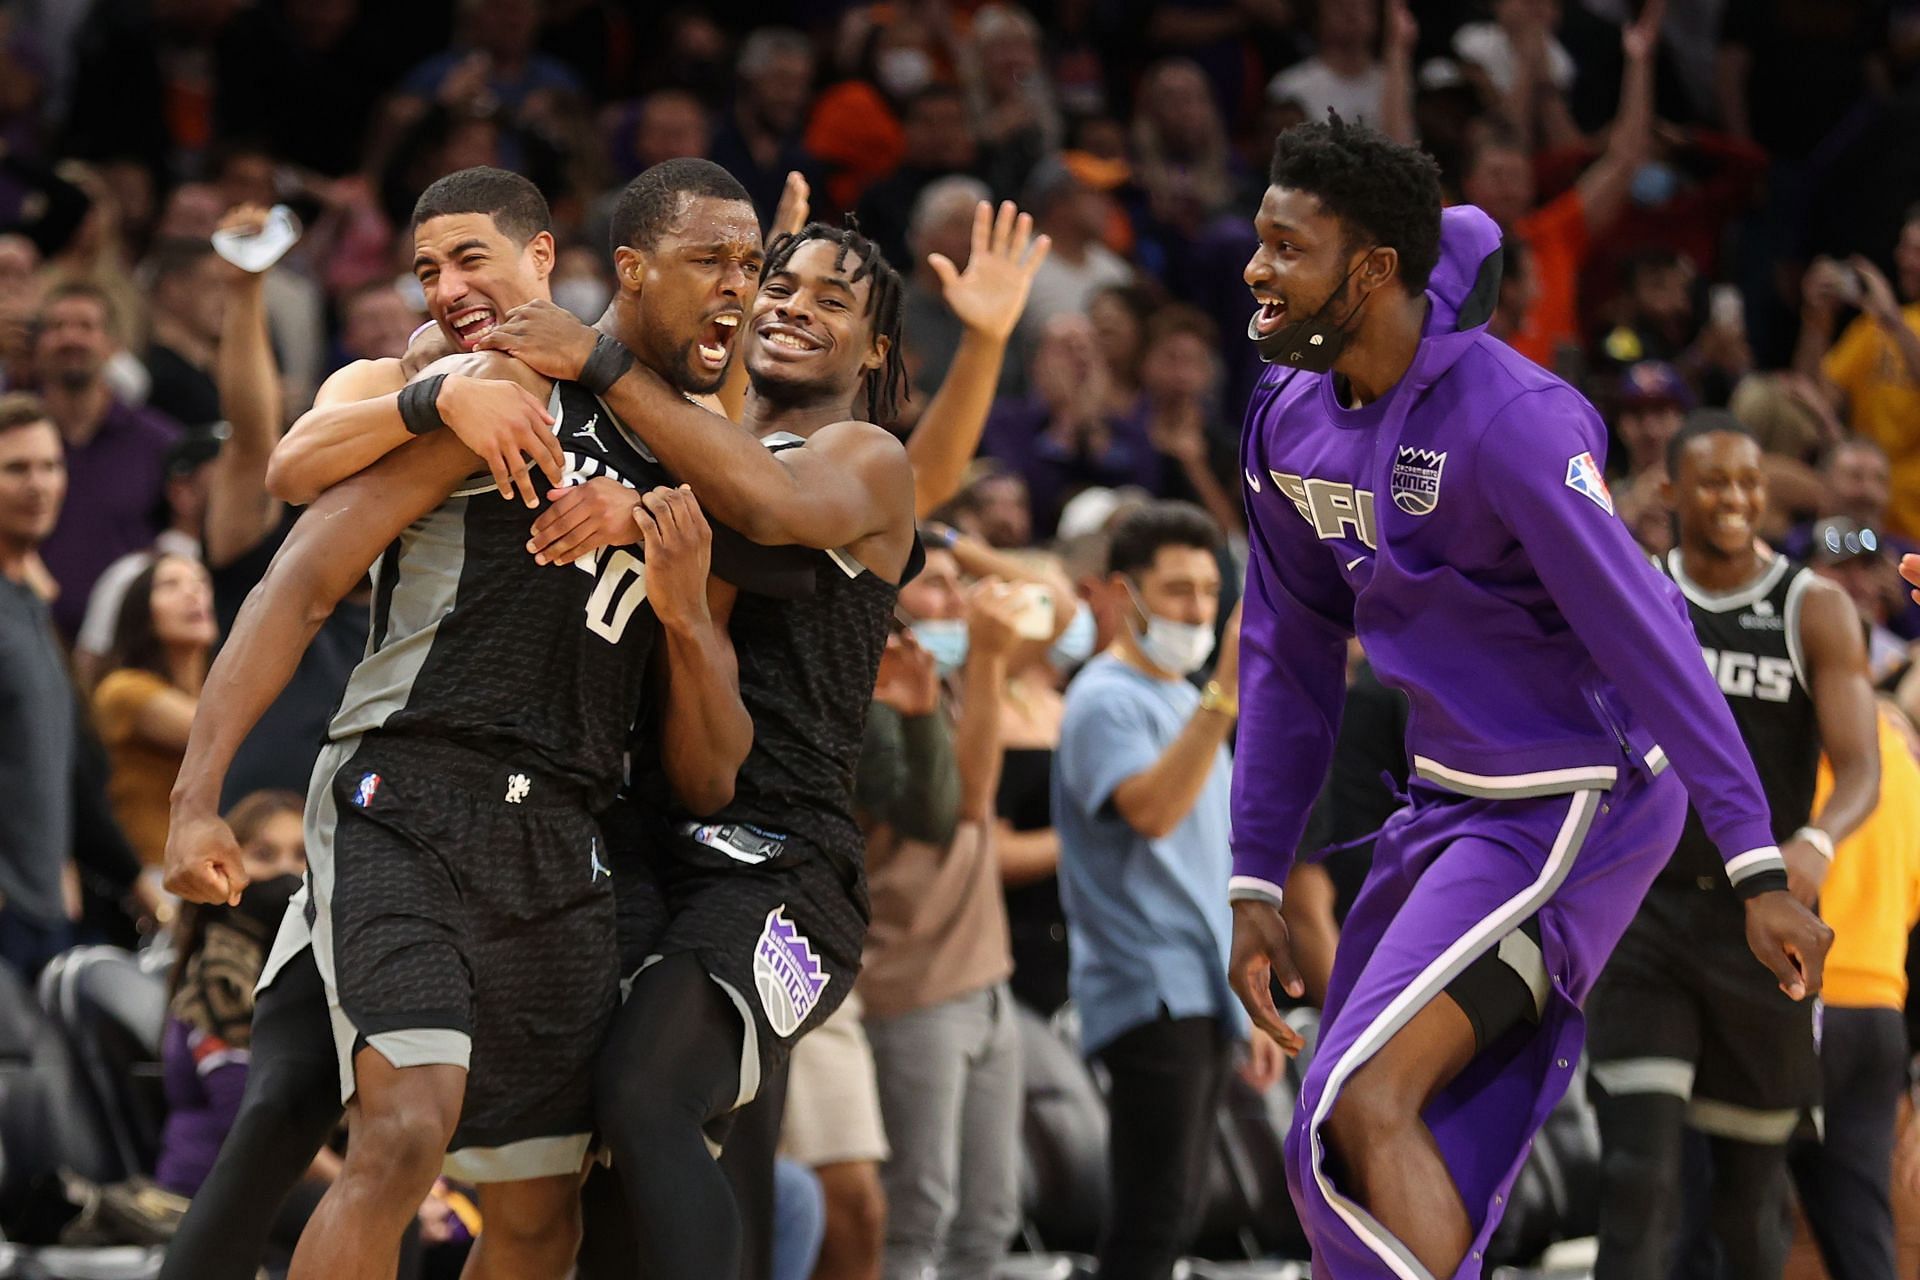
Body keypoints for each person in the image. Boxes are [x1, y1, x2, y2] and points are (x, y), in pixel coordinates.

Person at [1223, 115, 1831, 1280]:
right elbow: (1286, 655)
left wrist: (1753, 856)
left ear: (1369, 271)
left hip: (1585, 793)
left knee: (1352, 1098)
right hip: (1452, 792)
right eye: (1260, 239)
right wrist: (1256, 872)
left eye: (1286, 247)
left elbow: (1649, 634)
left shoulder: (1513, 420)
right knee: (1358, 1133)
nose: (1256, 268)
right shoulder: (1286, 417)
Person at [162, 166, 773, 1280]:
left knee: (539, 1211)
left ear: (544, 254)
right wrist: (194, 793)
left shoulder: (699, 456)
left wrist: (660, 559)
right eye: (427, 266)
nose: (443, 286)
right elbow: (295, 564)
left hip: (563, 834)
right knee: (397, 1136)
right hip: (413, 791)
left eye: (751, 269)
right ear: (626, 270)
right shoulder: (492, 384)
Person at [474, 173, 939, 1279]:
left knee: (648, 1090)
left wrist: (599, 361)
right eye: (780, 285)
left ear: (875, 356)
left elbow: (768, 507)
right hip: (654, 828)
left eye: (833, 301)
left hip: (789, 866)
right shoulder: (699, 441)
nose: (790, 305)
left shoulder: (868, 458)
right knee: (603, 1141)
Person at [1587, 413, 1879, 1280]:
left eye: (1752, 482)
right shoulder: (1632, 589)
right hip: (1645, 915)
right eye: (1715, 482)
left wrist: (1819, 839)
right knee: (1637, 1177)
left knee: (1749, 1210)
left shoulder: (1813, 607)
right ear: (1671, 491)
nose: (1738, 499)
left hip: (1761, 921)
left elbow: (1862, 766)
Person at [1054, 500, 1281, 1280]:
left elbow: (1209, 864)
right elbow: (1152, 813)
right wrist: (1224, 694)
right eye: (1179, 591)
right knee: (1152, 1219)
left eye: (1211, 593)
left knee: (1174, 1213)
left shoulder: (1187, 701)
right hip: (1147, 989)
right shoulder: (1103, 698)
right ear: (1123, 593)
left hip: (1200, 989)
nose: (1200, 610)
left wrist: (1243, 995)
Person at [856, 546, 1025, 1280]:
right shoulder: (875, 694)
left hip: (987, 982)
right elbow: (968, 805)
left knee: (989, 1220)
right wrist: (988, 658)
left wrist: (964, 548)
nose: (962, 600)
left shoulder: (946, 679)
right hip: (909, 983)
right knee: (915, 1216)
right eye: (939, 587)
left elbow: (1054, 598)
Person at [0, 393, 148, 976]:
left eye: (50, 466)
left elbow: (58, 766)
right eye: (16, 469)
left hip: (43, 912)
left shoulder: (31, 603)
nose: (39, 485)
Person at [1789, 700, 1920, 1280]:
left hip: (1798, 1006)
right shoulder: (1903, 762)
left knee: (1741, 1214)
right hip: (1879, 1018)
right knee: (1861, 1233)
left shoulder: (1796, 739)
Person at [158, 789, 309, 1198]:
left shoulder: (322, 963)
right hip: (219, 1193)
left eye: (301, 856)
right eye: (265, 855)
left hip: (298, 1180)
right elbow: (257, 1124)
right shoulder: (220, 975)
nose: (287, 872)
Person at [29, 280, 183, 637]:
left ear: (113, 345)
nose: (71, 339)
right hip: (23, 640)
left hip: (125, 648)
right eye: (56, 327)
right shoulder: (13, 439)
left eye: (85, 326)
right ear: (37, 345)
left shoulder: (159, 442)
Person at [1797, 206, 1920, 539]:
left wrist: (1892, 320)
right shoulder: (1874, 328)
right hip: (1862, 523)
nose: (1905, 259)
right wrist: (1817, 319)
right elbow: (1817, 395)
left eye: (1917, 250)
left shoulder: (1889, 322)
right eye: (1904, 247)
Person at [92, 552, 218, 867]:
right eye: (170, 585)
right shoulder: (122, 689)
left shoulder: (213, 693)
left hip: (203, 872)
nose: (193, 593)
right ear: (141, 612)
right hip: (147, 880)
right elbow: (212, 733)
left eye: (200, 583)